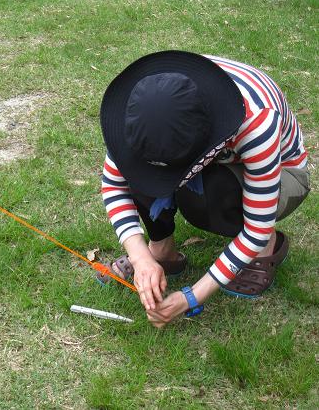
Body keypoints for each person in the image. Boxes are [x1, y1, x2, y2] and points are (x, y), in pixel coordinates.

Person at [97, 51, 309, 328]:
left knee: (212, 196)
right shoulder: (141, 110)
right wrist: (141, 258)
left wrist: (192, 297)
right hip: (206, 153)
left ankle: (267, 249)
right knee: (141, 170)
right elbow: (114, 183)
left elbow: (256, 227)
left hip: (282, 174)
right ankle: (161, 251)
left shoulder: (257, 123)